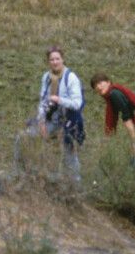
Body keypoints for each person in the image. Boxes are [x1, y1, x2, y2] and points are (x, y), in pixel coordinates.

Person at [13, 45, 84, 181]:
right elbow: (43, 101)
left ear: (63, 60)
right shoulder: (46, 77)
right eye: (52, 59)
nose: (55, 62)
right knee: (22, 137)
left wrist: (59, 99)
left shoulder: (71, 77)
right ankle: (18, 172)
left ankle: (76, 184)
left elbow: (77, 103)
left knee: (69, 152)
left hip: (69, 121)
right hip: (50, 121)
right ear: (48, 62)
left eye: (57, 59)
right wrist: (41, 121)